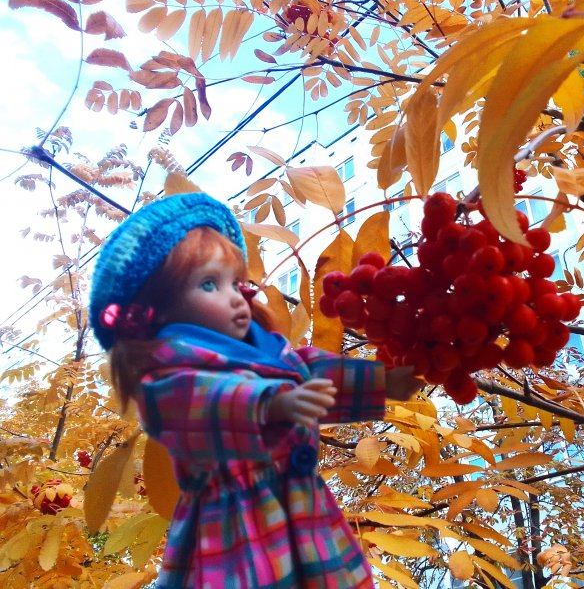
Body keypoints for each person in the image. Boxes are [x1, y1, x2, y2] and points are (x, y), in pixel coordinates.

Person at [89, 192, 422, 589]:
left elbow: (310, 370)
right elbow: (200, 400)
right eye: (210, 283)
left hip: (304, 515)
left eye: (236, 282)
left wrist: (382, 382)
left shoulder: (265, 350)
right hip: (236, 532)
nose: (235, 296)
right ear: (157, 309)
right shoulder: (162, 375)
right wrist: (271, 404)